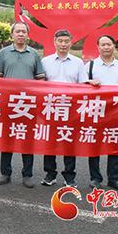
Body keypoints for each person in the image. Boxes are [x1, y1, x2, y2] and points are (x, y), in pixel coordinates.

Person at [0, 21, 45, 188]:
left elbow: (41, 78)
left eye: (24, 31)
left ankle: (27, 174)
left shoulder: (34, 55)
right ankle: (5, 172)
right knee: (7, 139)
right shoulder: (3, 53)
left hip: (28, 105)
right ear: (12, 34)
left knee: (27, 140)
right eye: (18, 31)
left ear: (27, 35)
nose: (21, 34)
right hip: (8, 104)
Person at [85, 35, 118, 192]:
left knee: (114, 146)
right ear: (98, 47)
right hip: (96, 112)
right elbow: (80, 86)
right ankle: (95, 178)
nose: (106, 47)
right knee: (94, 146)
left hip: (117, 113)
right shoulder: (90, 66)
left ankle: (113, 179)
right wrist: (89, 82)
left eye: (109, 44)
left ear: (114, 46)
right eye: (103, 44)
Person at [40, 29, 87, 187]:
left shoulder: (78, 62)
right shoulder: (45, 61)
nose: (63, 44)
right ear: (55, 42)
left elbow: (83, 85)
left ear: (71, 43)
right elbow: (39, 84)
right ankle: (50, 173)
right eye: (60, 41)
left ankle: (69, 176)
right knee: (50, 141)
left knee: (69, 142)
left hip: (71, 108)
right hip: (50, 106)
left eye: (66, 41)